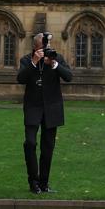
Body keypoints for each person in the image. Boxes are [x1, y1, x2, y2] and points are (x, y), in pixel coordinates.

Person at [17, 32, 73, 194]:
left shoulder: (57, 59)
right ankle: (33, 180)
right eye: (43, 47)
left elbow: (69, 77)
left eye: (47, 46)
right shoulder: (27, 60)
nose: (47, 49)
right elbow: (20, 79)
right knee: (30, 143)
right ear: (35, 47)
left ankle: (44, 183)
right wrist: (34, 63)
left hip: (52, 108)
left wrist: (54, 65)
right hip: (33, 107)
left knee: (48, 148)